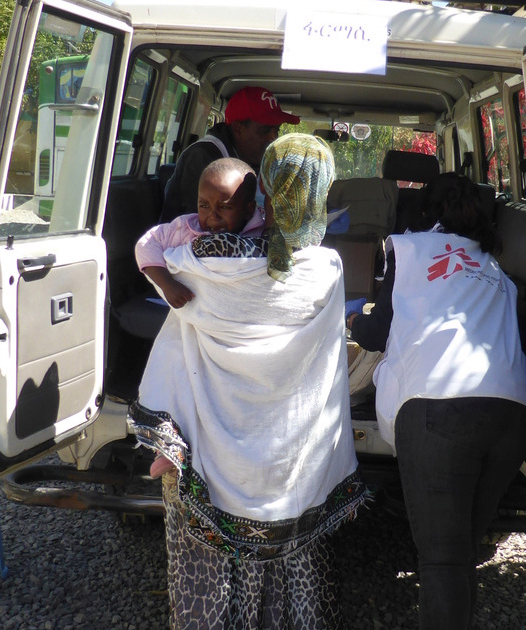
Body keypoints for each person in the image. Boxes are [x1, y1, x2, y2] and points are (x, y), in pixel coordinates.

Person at [129, 133, 366, 629]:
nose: (211, 214)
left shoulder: (196, 259)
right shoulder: (326, 269)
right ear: (321, 197)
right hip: (290, 458)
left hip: (205, 445)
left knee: (203, 552)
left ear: (263, 197)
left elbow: (156, 260)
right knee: (291, 554)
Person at [346, 172, 526, 630]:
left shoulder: (409, 251)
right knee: (461, 553)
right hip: (513, 414)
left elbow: (379, 331)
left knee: (443, 561)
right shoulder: (499, 274)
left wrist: (351, 319)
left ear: (424, 214)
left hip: (440, 410)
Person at [137, 157, 263, 308]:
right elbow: (147, 243)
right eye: (204, 206)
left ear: (248, 210)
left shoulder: (263, 233)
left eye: (224, 207)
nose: (213, 216)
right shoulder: (185, 227)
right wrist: (167, 284)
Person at [160, 86, 300, 222]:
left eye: (276, 130)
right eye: (265, 131)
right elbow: (201, 227)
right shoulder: (204, 156)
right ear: (238, 129)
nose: (273, 138)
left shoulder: (257, 160)